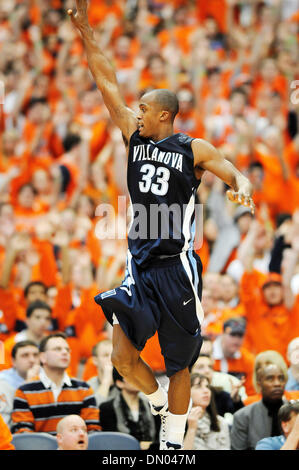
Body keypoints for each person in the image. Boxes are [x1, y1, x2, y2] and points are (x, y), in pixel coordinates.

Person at [68, 0, 254, 450]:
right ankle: (156, 400)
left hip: (177, 266)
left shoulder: (193, 148)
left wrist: (242, 185)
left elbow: (232, 169)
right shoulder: (133, 136)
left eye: (144, 108)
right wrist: (86, 30)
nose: (136, 112)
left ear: (163, 115)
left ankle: (172, 445)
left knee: (180, 365)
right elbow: (105, 80)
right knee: (121, 358)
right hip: (140, 264)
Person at [11, 332, 100, 435]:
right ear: (43, 357)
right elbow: (23, 433)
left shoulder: (84, 389)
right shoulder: (24, 391)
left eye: (67, 349)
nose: (65, 352)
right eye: (58, 349)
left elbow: (92, 430)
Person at [230, 363, 289, 450]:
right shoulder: (243, 417)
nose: (277, 383)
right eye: (270, 379)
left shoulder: (296, 413)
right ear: (259, 383)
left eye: (281, 378)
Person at [99, 368, 158, 450]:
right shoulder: (107, 408)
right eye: (132, 376)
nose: (138, 379)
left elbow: (160, 439)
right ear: (119, 383)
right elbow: (110, 440)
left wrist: (150, 445)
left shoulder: (153, 407)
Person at [183, 373, 231, 450]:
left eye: (207, 387)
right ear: (186, 392)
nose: (206, 391)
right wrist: (191, 429)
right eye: (198, 387)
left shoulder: (221, 422)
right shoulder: (173, 421)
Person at [3, 300, 52, 370]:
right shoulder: (10, 343)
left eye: (47, 318)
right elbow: (2, 371)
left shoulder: (53, 343)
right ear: (27, 320)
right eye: (37, 317)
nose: (43, 322)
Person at [0, 340, 39, 426]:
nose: (32, 360)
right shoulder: (2, 382)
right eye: (25, 355)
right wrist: (28, 386)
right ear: (13, 361)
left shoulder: (48, 379)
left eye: (35, 355)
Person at [212, 318, 255, 396]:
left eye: (240, 336)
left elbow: (251, 392)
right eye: (232, 335)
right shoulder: (209, 354)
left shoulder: (248, 360)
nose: (236, 340)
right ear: (222, 334)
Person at [86, 339, 116, 406]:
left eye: (114, 354)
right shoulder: (88, 387)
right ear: (95, 360)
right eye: (106, 355)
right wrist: (106, 382)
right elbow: (95, 411)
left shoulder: (125, 384)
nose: (111, 359)